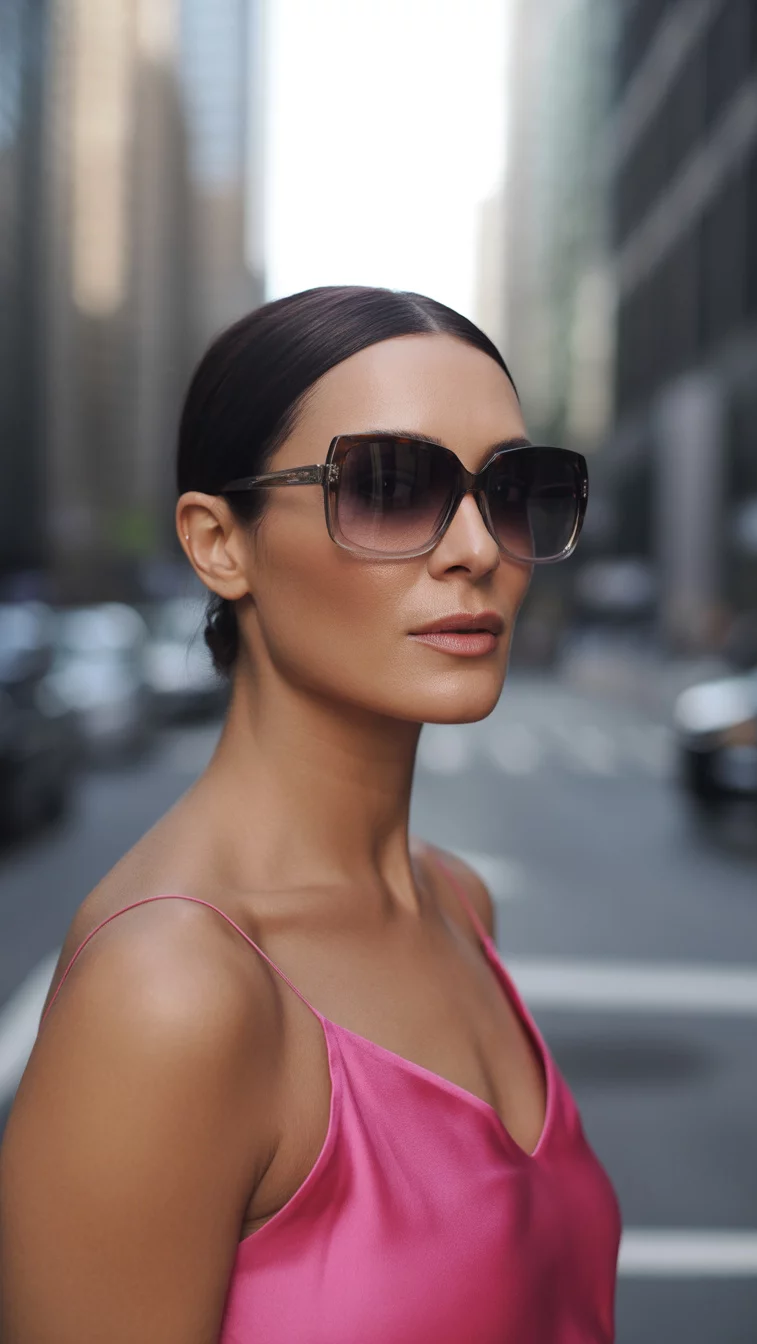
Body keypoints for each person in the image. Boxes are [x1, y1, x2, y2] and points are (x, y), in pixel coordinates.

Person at [0, 285, 621, 1342]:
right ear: (218, 543)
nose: (477, 548)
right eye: (390, 485)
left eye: (515, 490)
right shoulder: (173, 991)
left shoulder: (458, 902)